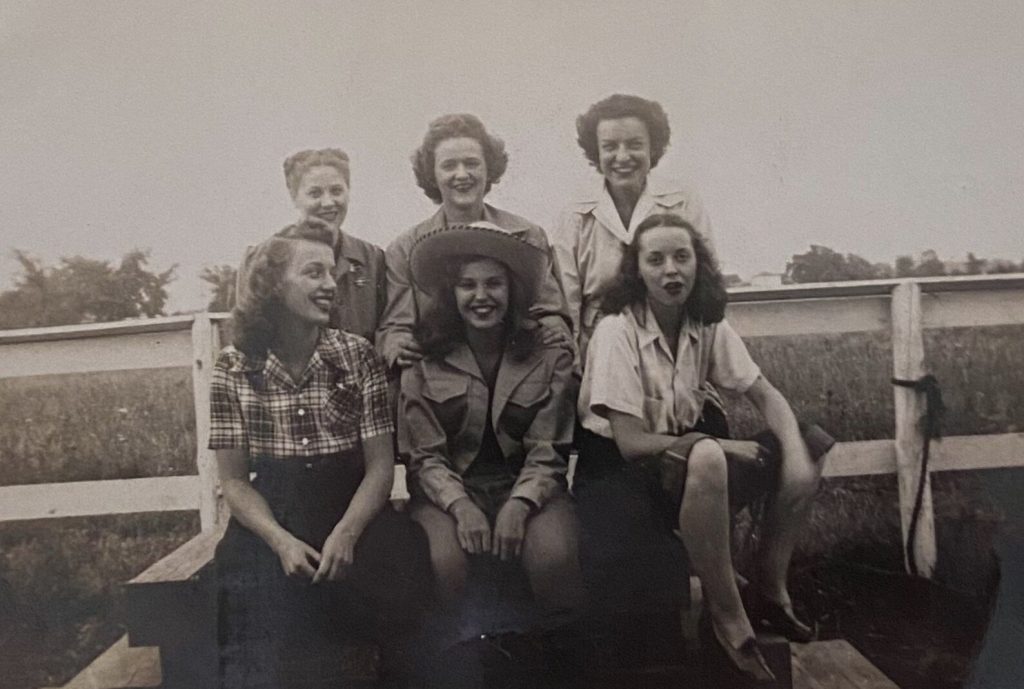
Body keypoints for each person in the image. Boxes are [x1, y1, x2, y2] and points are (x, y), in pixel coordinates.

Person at [577, 213, 834, 684]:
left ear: (699, 264)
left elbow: (766, 394)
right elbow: (632, 443)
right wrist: (723, 446)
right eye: (656, 260)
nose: (671, 270)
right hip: (617, 479)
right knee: (711, 454)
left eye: (682, 257)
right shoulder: (618, 330)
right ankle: (728, 617)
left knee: (811, 442)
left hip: (686, 464)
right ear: (638, 270)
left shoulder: (704, 321)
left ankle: (772, 590)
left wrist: (793, 456)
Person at [209, 224, 430, 688]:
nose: (331, 285)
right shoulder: (234, 366)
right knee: (249, 595)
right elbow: (234, 482)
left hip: (351, 502)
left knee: (402, 576)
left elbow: (379, 467)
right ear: (273, 285)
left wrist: (347, 534)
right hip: (274, 507)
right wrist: (280, 541)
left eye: (331, 273)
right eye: (313, 273)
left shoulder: (356, 355)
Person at [400, 223, 584, 624]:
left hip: (529, 487)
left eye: (494, 284)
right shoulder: (423, 359)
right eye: (467, 285)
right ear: (452, 293)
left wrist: (520, 504)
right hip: (446, 494)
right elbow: (424, 456)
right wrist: (460, 504)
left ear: (512, 289)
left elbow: (548, 448)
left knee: (553, 557)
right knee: (444, 563)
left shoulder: (549, 354)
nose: (481, 297)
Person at [376, 114, 571, 375]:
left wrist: (553, 329)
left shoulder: (527, 235)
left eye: (471, 163)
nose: (461, 174)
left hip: (517, 373)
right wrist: (396, 344)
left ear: (488, 168)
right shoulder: (406, 248)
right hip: (440, 378)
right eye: (448, 165)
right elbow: (396, 325)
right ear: (432, 175)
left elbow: (549, 310)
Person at [552, 93, 715, 365]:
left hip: (672, 345)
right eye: (610, 146)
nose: (622, 156)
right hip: (601, 351)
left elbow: (705, 281)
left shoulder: (682, 201)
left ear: (653, 148)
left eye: (635, 145)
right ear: (597, 151)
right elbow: (566, 303)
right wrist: (575, 371)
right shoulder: (574, 213)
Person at [238, 148, 387, 342]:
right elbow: (247, 334)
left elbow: (386, 332)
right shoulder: (259, 258)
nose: (328, 202)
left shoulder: (372, 258)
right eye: (315, 193)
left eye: (336, 191)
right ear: (294, 197)